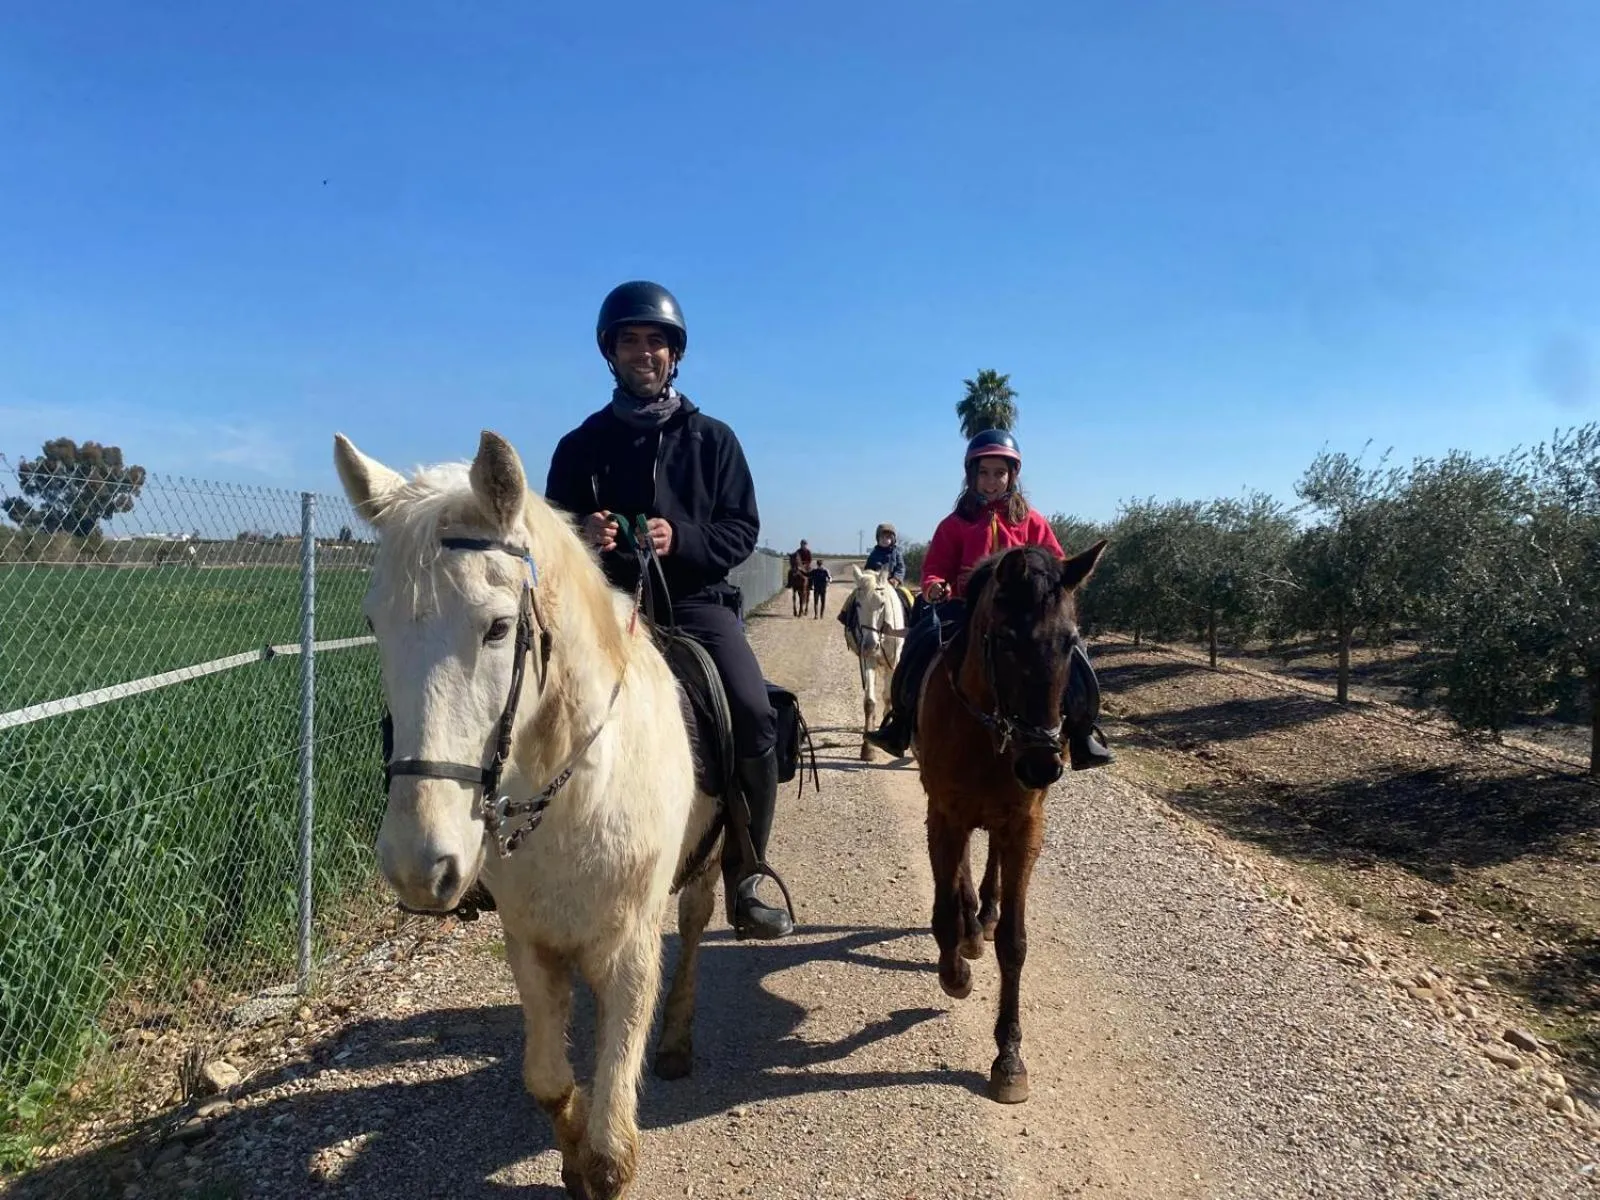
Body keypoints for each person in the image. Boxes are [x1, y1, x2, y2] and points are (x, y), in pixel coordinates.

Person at [543, 280, 794, 940]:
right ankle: (505, 856)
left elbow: (741, 529)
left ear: (675, 355)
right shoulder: (578, 446)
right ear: (610, 353)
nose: (644, 352)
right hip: (602, 606)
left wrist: (680, 538)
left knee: (752, 711)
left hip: (693, 605)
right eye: (630, 340)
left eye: (656, 341)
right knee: (525, 690)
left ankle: (746, 873)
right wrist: (580, 537)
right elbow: (550, 531)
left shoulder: (714, 441)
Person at [863, 429, 1113, 770]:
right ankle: (900, 722)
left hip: (1022, 618)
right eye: (984, 473)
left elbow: (1055, 563)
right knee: (920, 643)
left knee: (1074, 654)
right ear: (972, 475)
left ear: (1012, 476)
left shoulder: (1032, 522)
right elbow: (935, 567)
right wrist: (936, 585)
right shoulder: (954, 525)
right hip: (965, 609)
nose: (991, 481)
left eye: (1000, 473)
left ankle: (1082, 733)